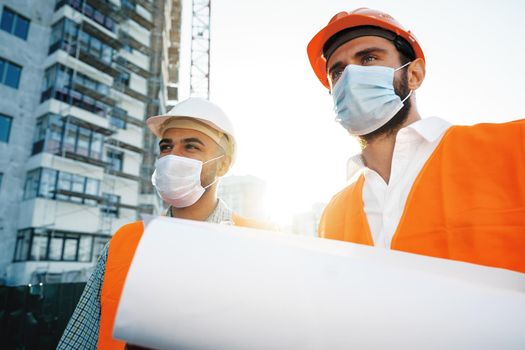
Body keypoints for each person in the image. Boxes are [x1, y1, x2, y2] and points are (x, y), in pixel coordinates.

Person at [307, 8, 525, 272]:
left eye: (368, 58)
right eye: (338, 73)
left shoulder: (513, 147)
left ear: (414, 74)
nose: (351, 78)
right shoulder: (332, 214)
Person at [58, 97, 262, 349]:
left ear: (222, 165)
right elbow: (81, 338)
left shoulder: (259, 242)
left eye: (190, 147)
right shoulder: (126, 241)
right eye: (166, 147)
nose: (171, 157)